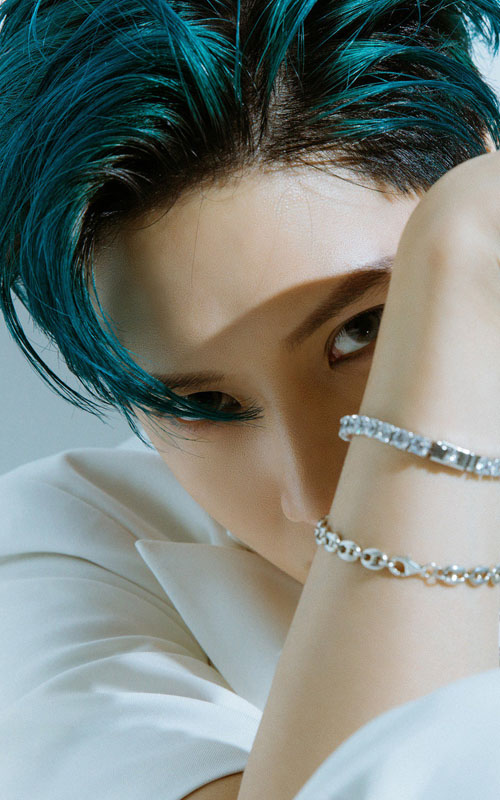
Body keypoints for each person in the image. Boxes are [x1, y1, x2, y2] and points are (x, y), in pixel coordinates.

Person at [1, 1, 500, 798]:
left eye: (363, 329)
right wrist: (462, 252)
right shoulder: (72, 552)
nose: (317, 497)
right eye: (205, 404)